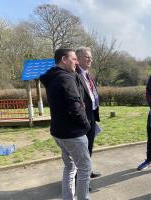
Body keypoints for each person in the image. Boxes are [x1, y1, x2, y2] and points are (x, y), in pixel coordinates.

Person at [40, 48, 92, 200]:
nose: (77, 62)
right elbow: (75, 107)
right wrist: (86, 126)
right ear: (64, 59)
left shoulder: (52, 77)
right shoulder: (66, 79)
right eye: (74, 59)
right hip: (72, 134)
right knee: (85, 168)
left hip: (58, 132)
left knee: (70, 167)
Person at [75, 47, 101, 179]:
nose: (90, 59)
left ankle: (87, 172)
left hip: (91, 116)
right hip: (81, 118)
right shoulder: (75, 75)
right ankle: (80, 179)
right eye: (87, 57)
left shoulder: (87, 74)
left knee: (89, 147)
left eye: (91, 57)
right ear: (78, 59)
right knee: (81, 151)